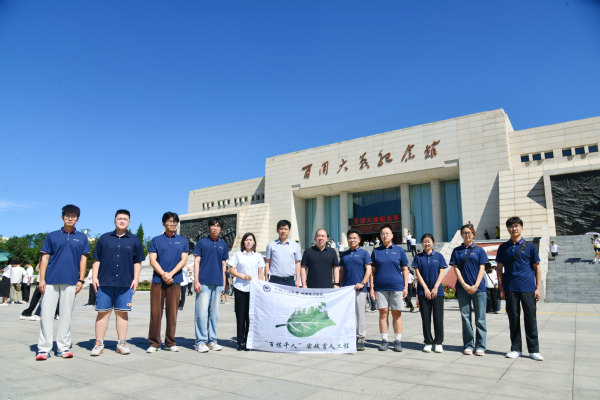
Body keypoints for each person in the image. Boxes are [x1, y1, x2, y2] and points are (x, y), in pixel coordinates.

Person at [36, 204, 90, 361]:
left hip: (71, 280)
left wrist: (81, 279)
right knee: (46, 315)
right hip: (51, 280)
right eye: (67, 216)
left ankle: (63, 347)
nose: (70, 219)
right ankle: (44, 348)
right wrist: (42, 279)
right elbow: (45, 258)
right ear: (62, 217)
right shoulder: (52, 236)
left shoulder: (82, 237)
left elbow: (83, 259)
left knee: (66, 316)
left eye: (73, 216)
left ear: (77, 219)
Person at [91, 209, 145, 356]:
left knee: (122, 313)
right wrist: (94, 277)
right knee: (103, 313)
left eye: (125, 219)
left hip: (125, 283)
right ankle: (98, 343)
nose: (122, 221)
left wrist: (136, 279)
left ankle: (121, 343)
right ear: (114, 220)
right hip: (105, 282)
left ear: (129, 222)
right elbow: (96, 259)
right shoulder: (104, 238)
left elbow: (137, 261)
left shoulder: (134, 240)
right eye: (119, 218)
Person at [497, 216, 544, 361]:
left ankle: (534, 350)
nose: (514, 229)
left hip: (528, 288)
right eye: (511, 226)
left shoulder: (530, 246)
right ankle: (515, 348)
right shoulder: (503, 248)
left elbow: (537, 268)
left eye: (516, 226)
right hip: (510, 288)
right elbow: (499, 269)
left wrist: (538, 288)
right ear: (508, 229)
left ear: (521, 228)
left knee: (530, 318)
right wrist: (501, 289)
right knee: (513, 318)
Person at [147, 212, 189, 353]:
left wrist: (170, 274)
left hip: (175, 281)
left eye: (174, 222)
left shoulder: (182, 240)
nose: (172, 224)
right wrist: (164, 274)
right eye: (169, 221)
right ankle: (154, 343)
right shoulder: (156, 240)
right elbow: (152, 260)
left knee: (172, 313)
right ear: (163, 223)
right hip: (158, 281)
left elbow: (183, 260)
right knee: (155, 313)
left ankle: (170, 342)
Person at [450, 224, 488, 356]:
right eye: (464, 233)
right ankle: (468, 344)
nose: (467, 235)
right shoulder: (457, 251)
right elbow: (456, 268)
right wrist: (464, 284)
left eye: (469, 232)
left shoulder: (479, 250)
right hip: (462, 288)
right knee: (465, 317)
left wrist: (476, 285)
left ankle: (481, 345)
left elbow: (482, 268)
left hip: (479, 288)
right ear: (461, 235)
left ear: (473, 234)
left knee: (480, 318)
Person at [370, 223, 409, 352]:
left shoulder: (399, 250)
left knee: (397, 314)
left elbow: (405, 269)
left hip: (397, 286)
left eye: (387, 233)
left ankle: (397, 340)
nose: (385, 235)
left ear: (392, 235)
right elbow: (372, 272)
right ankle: (384, 340)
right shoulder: (376, 251)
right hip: (380, 287)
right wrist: (372, 288)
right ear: (380, 236)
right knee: (383, 314)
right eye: (382, 234)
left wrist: (406, 287)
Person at [193, 217, 229, 353]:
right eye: (213, 225)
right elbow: (196, 262)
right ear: (209, 227)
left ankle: (212, 340)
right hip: (203, 282)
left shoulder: (223, 244)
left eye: (218, 226)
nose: (215, 228)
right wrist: (196, 281)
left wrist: (224, 283)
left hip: (218, 283)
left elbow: (224, 265)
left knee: (214, 314)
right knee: (201, 313)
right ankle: (200, 342)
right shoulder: (202, 242)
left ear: (221, 229)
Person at [228, 232, 265, 350]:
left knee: (250, 317)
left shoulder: (258, 256)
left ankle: (248, 341)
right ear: (243, 242)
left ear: (254, 242)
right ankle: (240, 342)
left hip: (253, 290)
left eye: (251, 240)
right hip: (240, 288)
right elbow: (231, 270)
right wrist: (242, 277)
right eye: (246, 240)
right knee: (240, 316)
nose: (249, 242)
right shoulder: (238, 255)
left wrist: (260, 286)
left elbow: (260, 272)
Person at [413, 234, 447, 353]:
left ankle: (438, 342)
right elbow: (418, 273)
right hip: (423, 292)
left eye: (429, 241)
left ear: (433, 243)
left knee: (438, 317)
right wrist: (426, 289)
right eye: (424, 241)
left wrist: (436, 287)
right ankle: (428, 341)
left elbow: (441, 272)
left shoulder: (439, 256)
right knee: (425, 318)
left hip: (438, 292)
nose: (426, 243)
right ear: (421, 243)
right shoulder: (418, 257)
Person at [339, 229, 372, 351]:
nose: (352, 240)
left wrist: (363, 283)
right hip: (346, 290)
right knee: (348, 315)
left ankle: (360, 337)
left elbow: (369, 270)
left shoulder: (364, 253)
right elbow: (341, 271)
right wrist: (339, 285)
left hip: (360, 289)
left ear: (359, 240)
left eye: (354, 238)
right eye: (350, 238)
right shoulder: (344, 254)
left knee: (360, 314)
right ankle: (349, 336)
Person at [265, 220, 302, 287]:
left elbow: (297, 263)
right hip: (274, 280)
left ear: (289, 231)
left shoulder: (295, 246)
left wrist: (297, 280)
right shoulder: (271, 245)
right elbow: (267, 262)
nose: (283, 231)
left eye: (285, 229)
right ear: (277, 230)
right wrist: (266, 279)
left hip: (290, 281)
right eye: (281, 229)